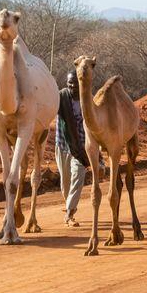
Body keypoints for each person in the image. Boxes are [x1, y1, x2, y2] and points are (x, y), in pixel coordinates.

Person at [56, 71, 90, 226]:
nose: (72, 86)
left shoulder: (87, 100)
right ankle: (70, 205)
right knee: (65, 183)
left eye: (75, 83)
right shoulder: (60, 98)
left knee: (78, 178)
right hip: (63, 145)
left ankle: (69, 213)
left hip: (81, 148)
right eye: (70, 83)